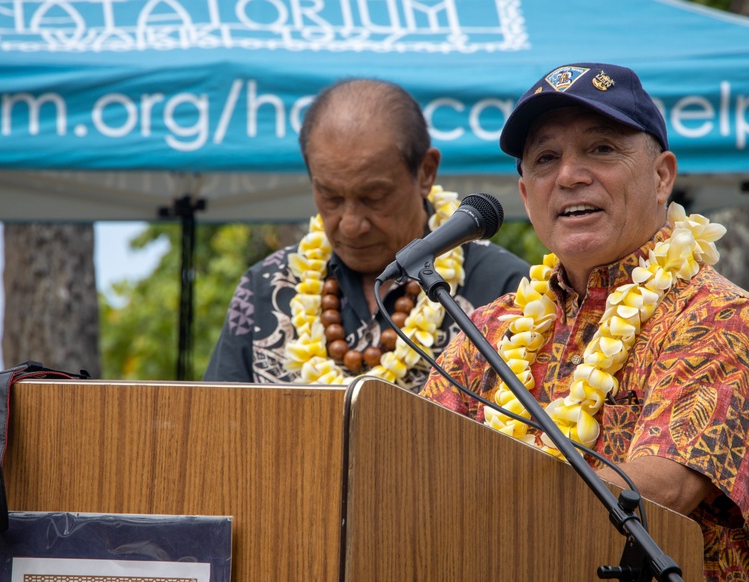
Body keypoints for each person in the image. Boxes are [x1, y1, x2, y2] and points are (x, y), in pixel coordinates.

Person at [420, 63, 749, 582]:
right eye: (545, 159)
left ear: (661, 176)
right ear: (524, 194)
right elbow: (409, 463)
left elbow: (658, 488)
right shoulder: (488, 330)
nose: (569, 175)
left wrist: (473, 507)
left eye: (601, 148)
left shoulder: (723, 320)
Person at [204, 78, 531, 390]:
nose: (350, 224)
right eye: (330, 197)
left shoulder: (509, 291)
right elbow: (218, 430)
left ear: (426, 172)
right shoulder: (264, 290)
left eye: (373, 197)